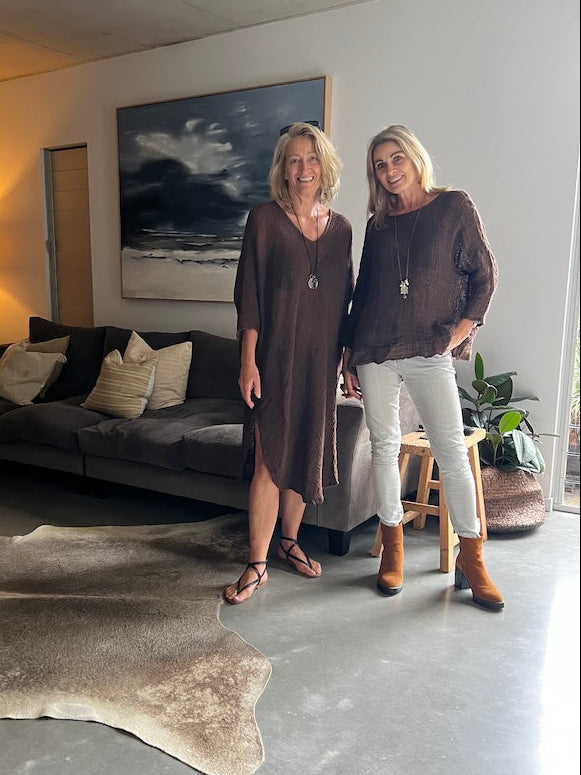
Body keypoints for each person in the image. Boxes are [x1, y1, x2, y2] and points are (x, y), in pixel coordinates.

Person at [341, 124, 503, 611]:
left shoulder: (454, 206)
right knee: (385, 449)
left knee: (451, 450)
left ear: (413, 157)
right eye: (379, 166)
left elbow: (484, 274)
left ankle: (471, 560)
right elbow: (364, 291)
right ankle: (392, 553)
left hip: (429, 350)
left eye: (395, 159)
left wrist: (457, 334)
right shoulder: (378, 224)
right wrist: (348, 353)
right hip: (374, 349)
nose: (389, 172)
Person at [224, 122, 354, 605]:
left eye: (312, 158)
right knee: (268, 460)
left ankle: (289, 542)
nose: (303, 168)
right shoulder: (263, 220)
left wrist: (346, 362)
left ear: (325, 165)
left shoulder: (341, 229)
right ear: (283, 167)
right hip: (273, 360)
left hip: (320, 364)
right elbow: (250, 297)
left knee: (304, 453)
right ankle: (257, 564)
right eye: (294, 159)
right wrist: (248, 361)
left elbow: (345, 301)